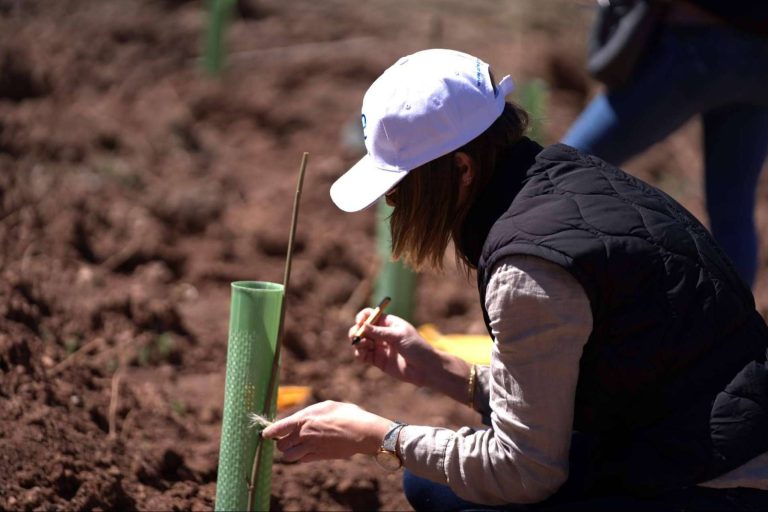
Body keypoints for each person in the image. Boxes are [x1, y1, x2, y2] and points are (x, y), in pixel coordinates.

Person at [262, 49, 768, 511]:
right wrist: (437, 367)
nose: (391, 202)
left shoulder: (529, 268)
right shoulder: (569, 182)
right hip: (705, 443)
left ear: (460, 168)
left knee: (449, 494)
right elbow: (583, 391)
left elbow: (525, 472)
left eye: (400, 184)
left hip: (716, 483)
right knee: (433, 483)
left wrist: (379, 437)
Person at [562, 0, 768, 287]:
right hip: (759, 59)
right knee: (733, 210)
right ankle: (736, 328)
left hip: (695, 44)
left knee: (561, 168)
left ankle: (543, 300)